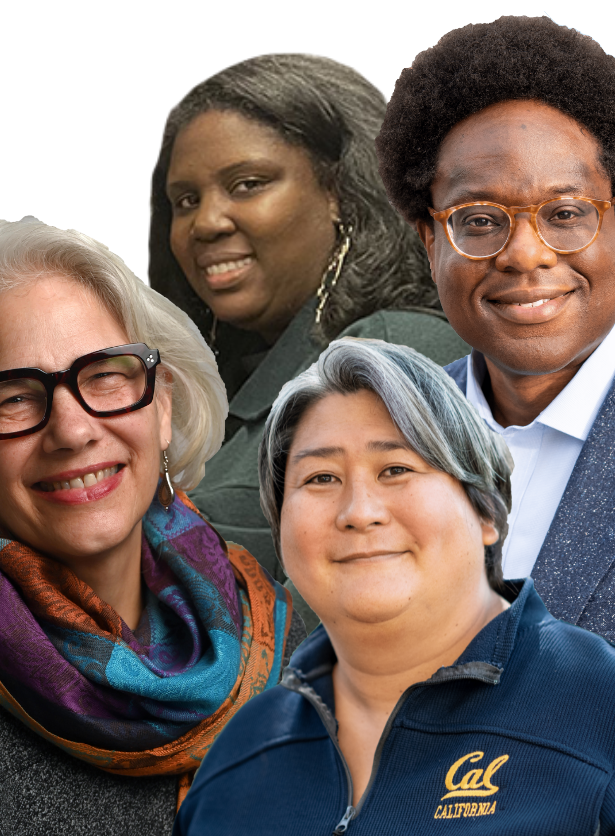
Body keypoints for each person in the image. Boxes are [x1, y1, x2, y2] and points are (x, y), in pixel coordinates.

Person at [0, 216, 305, 835]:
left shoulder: (289, 643)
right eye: (14, 396)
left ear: (161, 408)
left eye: (105, 375)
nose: (73, 431)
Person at [173, 338, 615, 835]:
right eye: (320, 478)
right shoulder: (241, 756)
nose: (359, 512)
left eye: (395, 469)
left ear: (486, 510)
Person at [375, 15, 615, 656]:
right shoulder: (379, 436)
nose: (525, 254)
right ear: (429, 240)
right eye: (478, 220)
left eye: (565, 214)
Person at [148, 52, 470, 591]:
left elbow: (378, 605)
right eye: (185, 200)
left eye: (247, 183)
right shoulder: (222, 385)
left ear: (341, 193)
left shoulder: (393, 354)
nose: (204, 222)